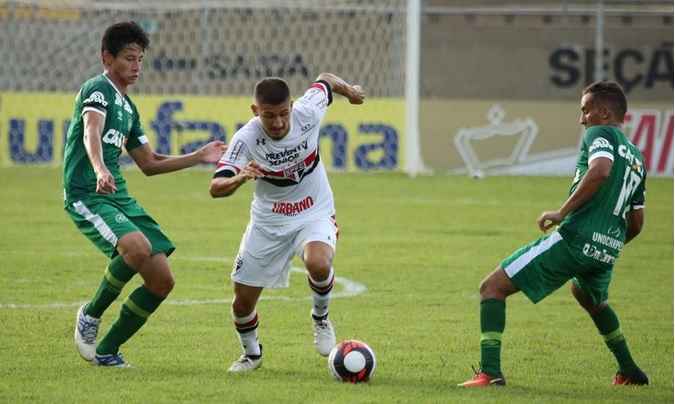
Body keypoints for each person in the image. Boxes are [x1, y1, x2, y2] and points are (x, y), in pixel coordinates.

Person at [459, 81, 649, 387]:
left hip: (577, 238)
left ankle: (490, 372)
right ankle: (629, 369)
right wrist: (608, 244)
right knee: (589, 297)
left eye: (585, 110)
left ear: (603, 112)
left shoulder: (598, 133)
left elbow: (600, 169)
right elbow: (637, 221)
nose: (582, 119)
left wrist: (562, 212)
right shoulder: (638, 157)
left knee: (492, 287)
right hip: (607, 249)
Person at [64, 21, 226, 367]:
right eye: (128, 58)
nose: (136, 67)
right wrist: (99, 169)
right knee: (135, 247)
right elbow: (91, 131)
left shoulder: (129, 107)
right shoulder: (98, 89)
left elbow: (149, 163)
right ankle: (90, 316)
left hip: (118, 196)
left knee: (161, 280)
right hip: (87, 193)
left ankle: (107, 351)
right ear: (106, 57)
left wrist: (198, 157)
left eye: (140, 59)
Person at [210, 74, 364, 372]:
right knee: (242, 303)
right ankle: (252, 355)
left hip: (314, 211)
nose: (278, 122)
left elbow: (325, 81)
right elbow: (216, 186)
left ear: (292, 106)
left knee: (319, 263)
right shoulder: (246, 139)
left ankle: (320, 318)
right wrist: (241, 177)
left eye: (283, 114)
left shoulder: (308, 111)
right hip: (268, 223)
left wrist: (351, 92)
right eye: (269, 116)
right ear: (255, 111)